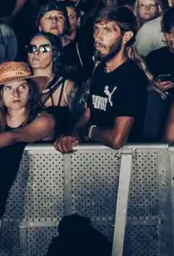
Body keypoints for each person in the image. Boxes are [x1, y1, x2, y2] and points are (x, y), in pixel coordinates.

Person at [54, 8, 145, 152]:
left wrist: (89, 130)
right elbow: (88, 114)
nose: (98, 37)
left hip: (127, 163)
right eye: (96, 29)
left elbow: (117, 140)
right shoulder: (100, 69)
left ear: (126, 36)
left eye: (107, 31)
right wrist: (73, 136)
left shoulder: (131, 78)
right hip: (97, 158)